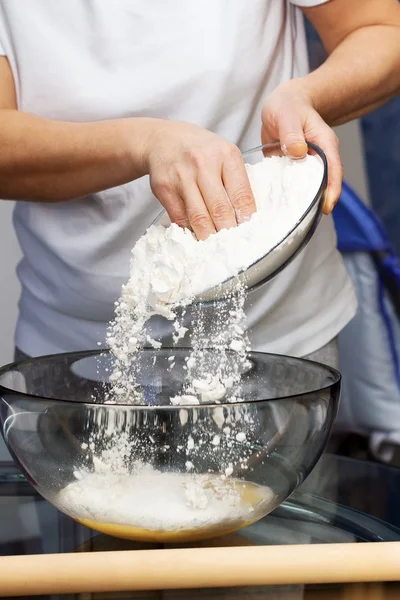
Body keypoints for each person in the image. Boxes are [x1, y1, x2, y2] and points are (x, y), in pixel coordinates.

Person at [0, 0, 399, 367]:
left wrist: (306, 96)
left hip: (277, 342)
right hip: (71, 350)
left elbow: (382, 28)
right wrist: (144, 143)